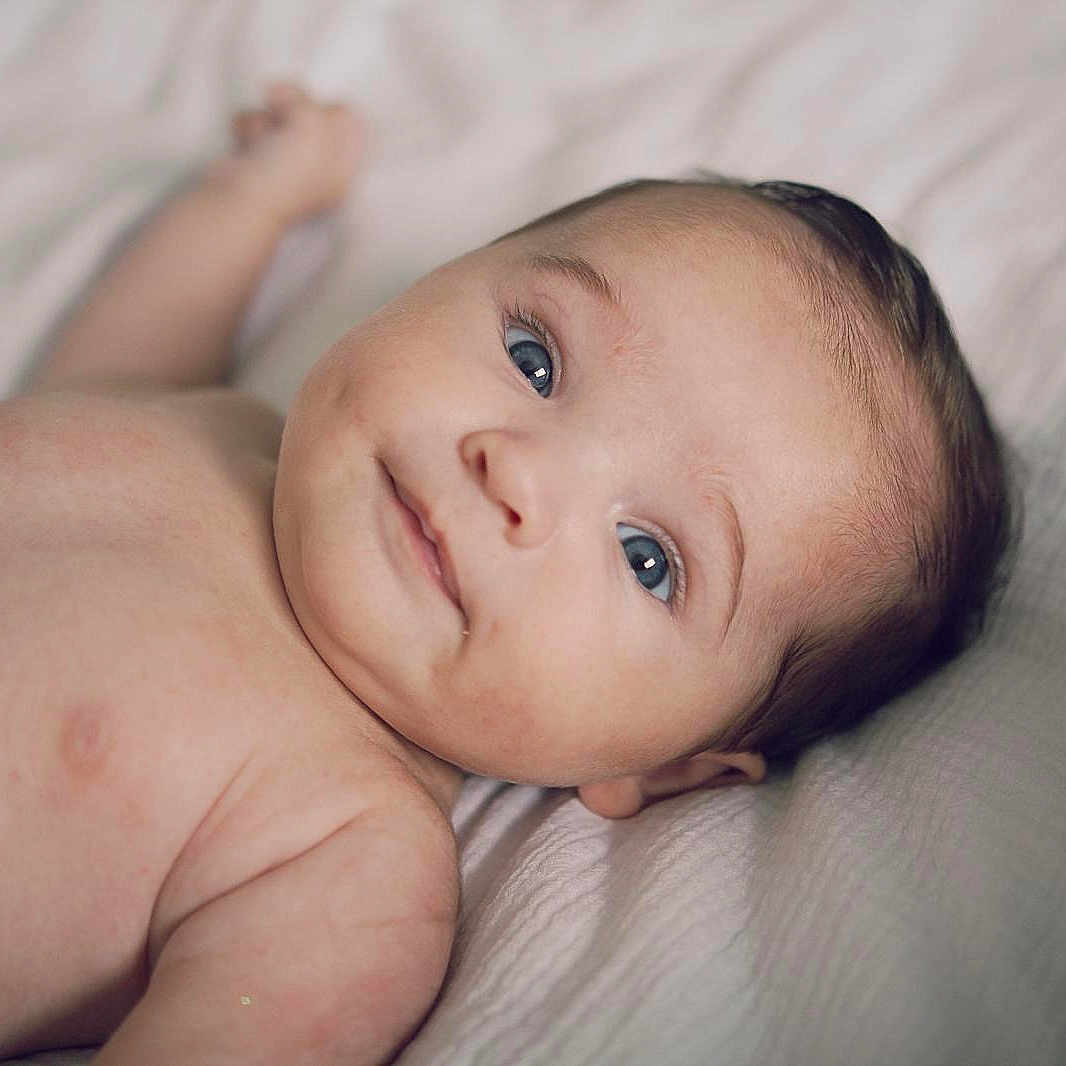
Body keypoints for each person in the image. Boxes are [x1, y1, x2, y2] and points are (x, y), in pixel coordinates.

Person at [0, 84, 1014, 1063]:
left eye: (646, 557)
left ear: (665, 768)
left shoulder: (350, 861)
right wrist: (249, 204)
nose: (517, 469)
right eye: (534, 357)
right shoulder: (210, 425)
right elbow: (118, 366)